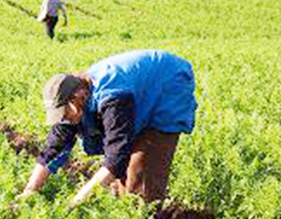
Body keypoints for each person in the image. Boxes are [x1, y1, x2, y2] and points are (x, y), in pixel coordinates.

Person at [19, 50, 196, 206]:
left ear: (78, 98)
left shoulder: (112, 98)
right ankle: (123, 209)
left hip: (168, 84)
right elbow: (53, 150)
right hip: (139, 90)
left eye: (64, 113)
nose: (63, 118)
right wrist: (29, 192)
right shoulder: (74, 105)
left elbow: (116, 156)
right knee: (124, 171)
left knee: (141, 174)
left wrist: (77, 201)